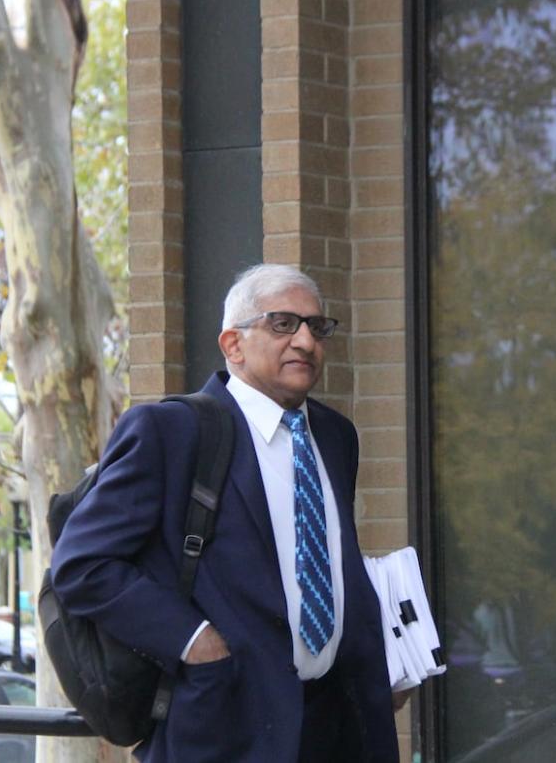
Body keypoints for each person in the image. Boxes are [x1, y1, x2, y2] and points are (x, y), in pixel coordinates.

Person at [52, 264, 400, 762]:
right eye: (283, 323)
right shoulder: (170, 432)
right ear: (233, 345)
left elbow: (327, 566)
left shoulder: (335, 436)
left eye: (316, 327)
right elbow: (83, 565)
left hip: (336, 726)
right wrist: (194, 641)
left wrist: (380, 665)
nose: (305, 341)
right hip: (225, 725)